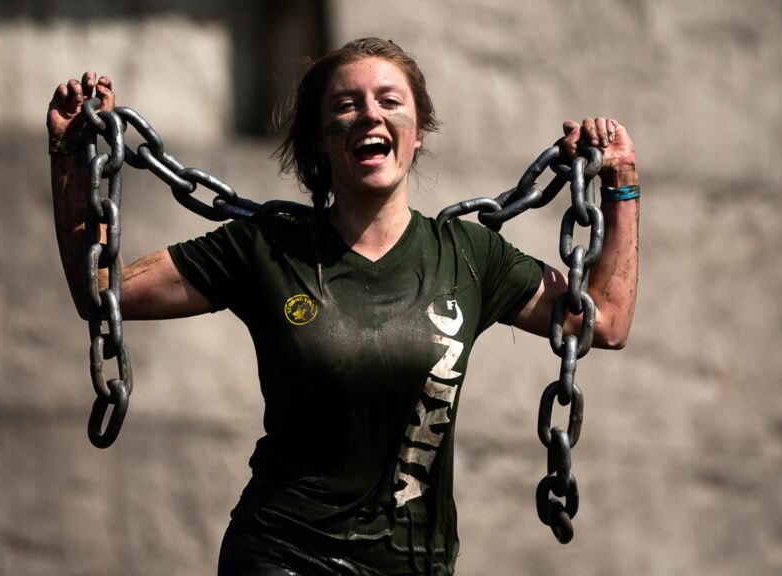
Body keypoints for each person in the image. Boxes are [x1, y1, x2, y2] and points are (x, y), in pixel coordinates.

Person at [48, 37, 639, 576]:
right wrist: (70, 156)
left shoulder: (469, 256)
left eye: (390, 101)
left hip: (416, 564)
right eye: (346, 105)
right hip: (282, 553)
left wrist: (621, 182)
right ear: (320, 139)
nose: (370, 116)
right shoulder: (267, 247)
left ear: (419, 130)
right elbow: (103, 291)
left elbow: (605, 321)